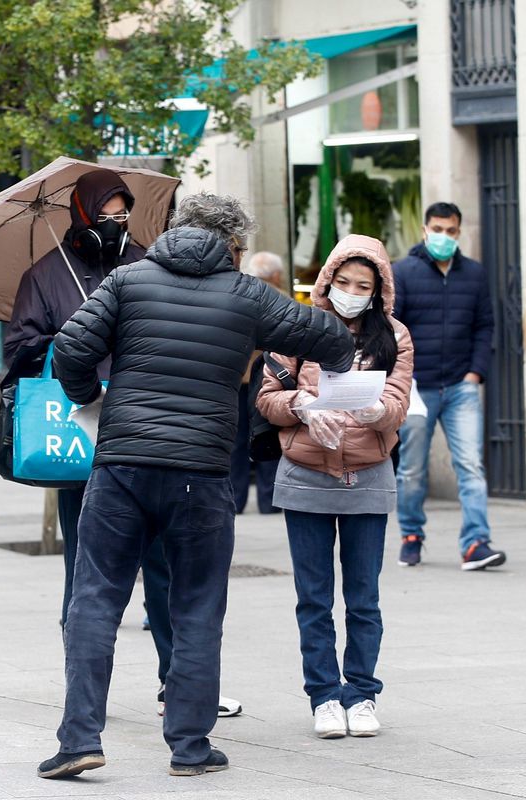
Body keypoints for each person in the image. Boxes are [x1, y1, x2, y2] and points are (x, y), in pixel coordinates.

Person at [38, 193, 355, 780]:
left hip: (122, 465)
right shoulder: (248, 294)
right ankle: (188, 746)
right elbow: (333, 340)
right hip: (201, 476)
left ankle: (79, 738)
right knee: (197, 605)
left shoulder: (128, 280)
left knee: (96, 598)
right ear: (233, 244)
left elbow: (72, 348)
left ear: (174, 230)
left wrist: (91, 400)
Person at [4, 169, 242, 718]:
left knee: (163, 565)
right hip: (79, 436)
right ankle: (81, 694)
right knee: (86, 571)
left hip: (148, 429)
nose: (116, 225)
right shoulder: (45, 274)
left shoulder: (147, 261)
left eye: (123, 214)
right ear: (83, 215)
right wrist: (76, 340)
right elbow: (19, 346)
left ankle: (175, 681)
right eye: (105, 215)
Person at [257, 235, 413, 740]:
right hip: (305, 473)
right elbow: (267, 397)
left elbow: (398, 399)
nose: (350, 292)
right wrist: (300, 406)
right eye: (343, 282)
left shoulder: (395, 336)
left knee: (363, 596)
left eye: (362, 286)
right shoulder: (297, 327)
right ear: (327, 281)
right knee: (314, 596)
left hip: (368, 473)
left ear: (378, 291)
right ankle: (324, 695)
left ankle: (362, 693)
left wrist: (377, 412)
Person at [392, 202, 503, 570]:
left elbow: (485, 325)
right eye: (437, 229)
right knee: (411, 469)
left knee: (471, 465)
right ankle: (411, 534)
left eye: (451, 230)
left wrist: (475, 373)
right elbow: (393, 330)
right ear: (425, 230)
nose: (444, 236)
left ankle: (475, 543)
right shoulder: (404, 273)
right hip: (417, 387)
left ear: (459, 232)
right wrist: (402, 379)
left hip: (460, 386)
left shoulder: (473, 274)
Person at [230, 250, 288, 514]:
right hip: (269, 380)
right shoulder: (282, 300)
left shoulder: (235, 296)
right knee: (267, 436)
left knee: (237, 442)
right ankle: (269, 499)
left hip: (236, 379)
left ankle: (235, 499)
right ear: (276, 274)